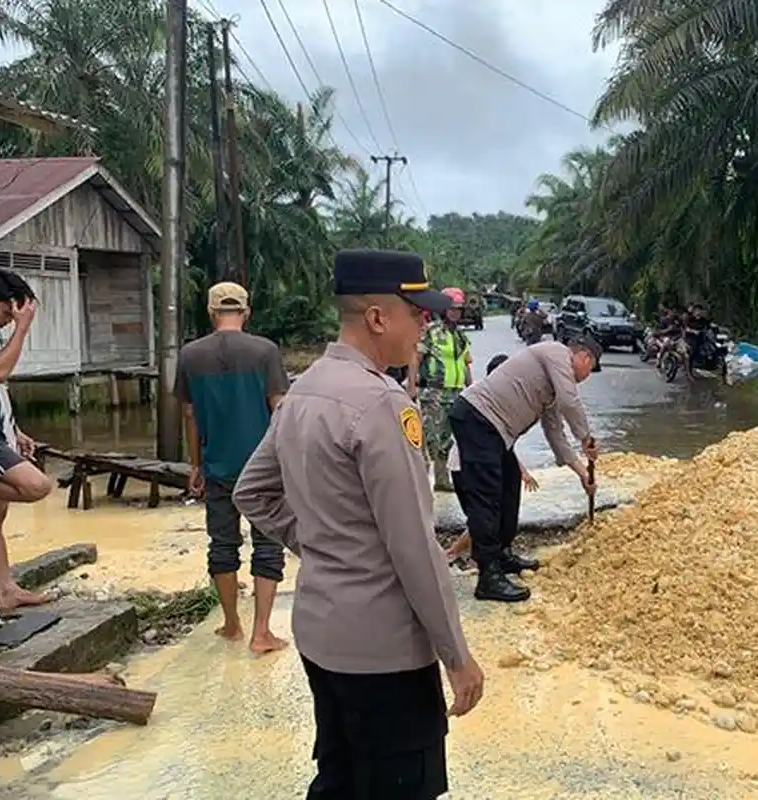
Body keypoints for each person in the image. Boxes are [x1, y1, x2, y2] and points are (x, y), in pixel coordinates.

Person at [233, 249, 483, 800]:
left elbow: (251, 492)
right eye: (416, 313)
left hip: (321, 634)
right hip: (385, 651)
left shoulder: (304, 391)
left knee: (341, 778)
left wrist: (320, 545)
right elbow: (415, 550)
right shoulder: (381, 405)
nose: (425, 326)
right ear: (377, 318)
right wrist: (457, 657)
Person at [173, 282, 289, 655]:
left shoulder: (190, 356)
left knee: (222, 544)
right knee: (267, 545)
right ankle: (262, 632)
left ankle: (232, 625)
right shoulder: (265, 351)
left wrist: (195, 464)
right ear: (246, 311)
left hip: (216, 464)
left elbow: (189, 414)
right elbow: (280, 410)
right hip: (263, 468)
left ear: (211, 312)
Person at [449, 339, 600, 603]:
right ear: (584, 357)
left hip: (497, 432)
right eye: (591, 369)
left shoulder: (552, 390)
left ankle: (502, 555)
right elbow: (570, 401)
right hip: (477, 418)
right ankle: (488, 577)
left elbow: (556, 436)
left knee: (510, 487)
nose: (586, 378)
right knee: (487, 498)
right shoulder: (556, 352)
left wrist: (583, 475)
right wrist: (586, 438)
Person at [0, 270, 54, 613]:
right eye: (6, 312)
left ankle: (6, 590)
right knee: (37, 486)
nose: (9, 321)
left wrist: (16, 430)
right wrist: (22, 329)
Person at [444, 354, 539, 562]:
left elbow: (504, 445)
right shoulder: (481, 403)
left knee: (498, 512)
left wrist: (522, 471)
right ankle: (463, 557)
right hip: (465, 465)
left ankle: (497, 556)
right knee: (484, 516)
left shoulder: (497, 402)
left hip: (484, 460)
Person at [418, 289, 472, 491]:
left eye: (458, 309)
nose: (455, 313)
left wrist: (471, 390)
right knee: (429, 438)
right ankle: (421, 480)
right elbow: (416, 357)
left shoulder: (460, 336)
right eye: (452, 309)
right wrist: (411, 385)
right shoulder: (431, 332)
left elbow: (465, 364)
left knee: (445, 440)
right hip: (434, 392)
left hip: (455, 393)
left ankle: (441, 479)